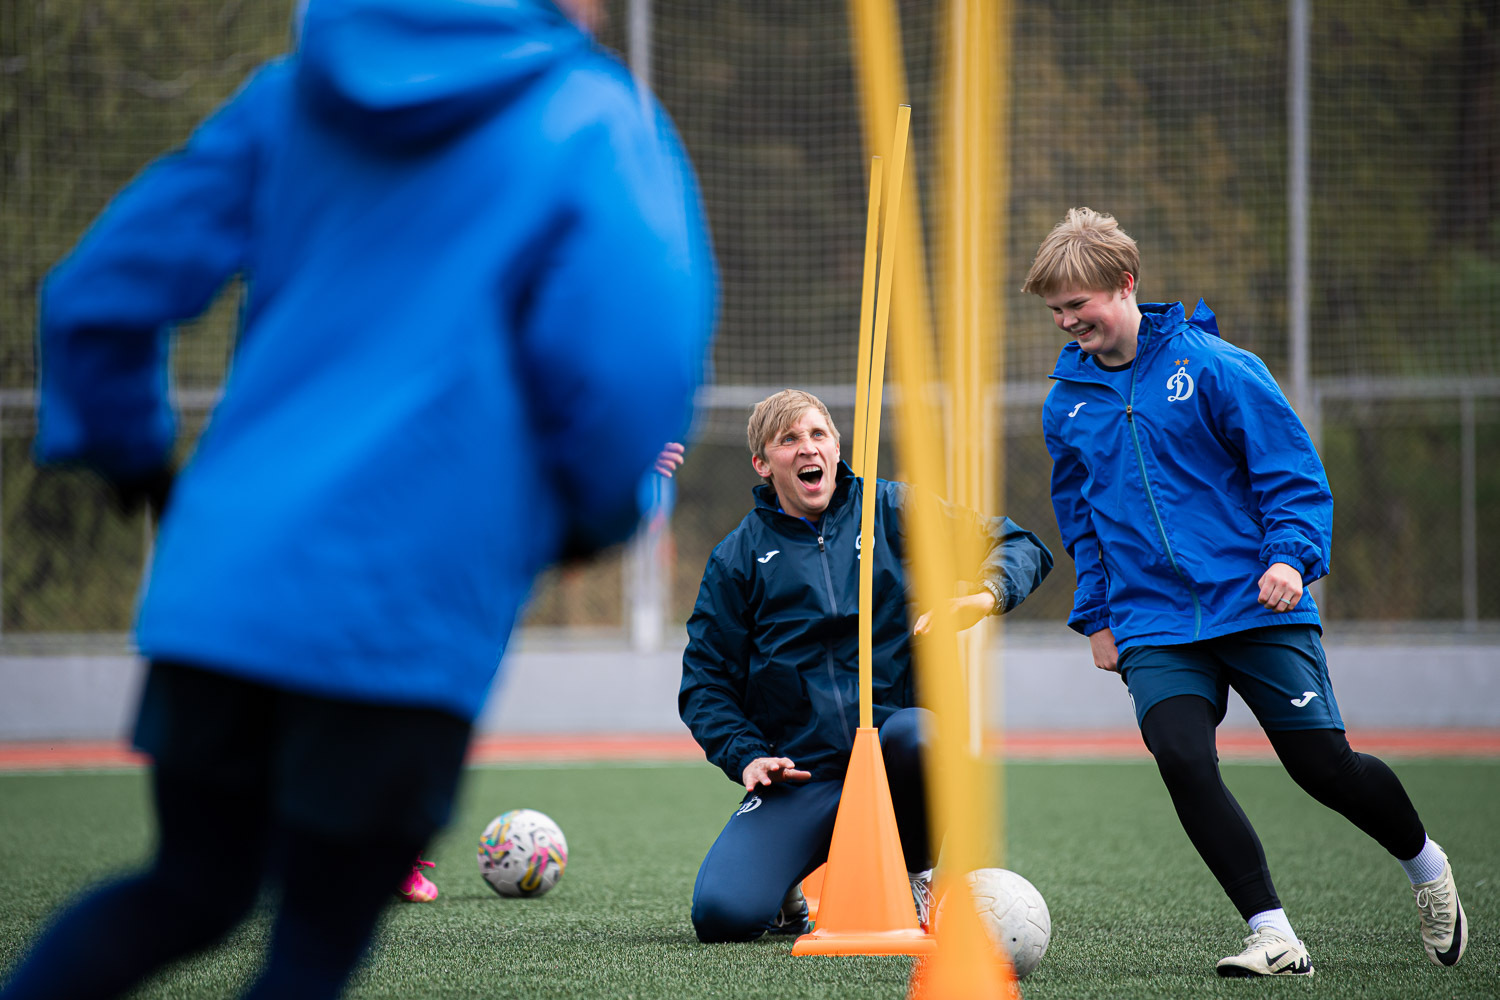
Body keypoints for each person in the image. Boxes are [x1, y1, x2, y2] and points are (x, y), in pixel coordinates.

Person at [2, 0, 714, 997]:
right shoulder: (592, 119)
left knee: (191, 886)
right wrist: (594, 513)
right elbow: (631, 366)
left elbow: (95, 295)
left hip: (227, 595)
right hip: (403, 616)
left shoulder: (295, 92)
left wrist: (139, 463)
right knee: (314, 946)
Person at [1026, 207, 1467, 977]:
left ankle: (1427, 867)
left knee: (1322, 768)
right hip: (1152, 619)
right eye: (1056, 310)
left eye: (1078, 305)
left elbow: (1291, 475)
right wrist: (1095, 614)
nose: (1067, 322)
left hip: (1255, 600)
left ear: (1125, 286)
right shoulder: (1066, 405)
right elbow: (1082, 520)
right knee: (1181, 758)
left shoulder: (1220, 366)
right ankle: (1273, 934)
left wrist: (1292, 559)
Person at [679, 389, 1053, 943]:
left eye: (818, 435)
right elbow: (705, 683)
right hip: (803, 773)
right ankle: (787, 890)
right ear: (762, 463)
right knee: (722, 918)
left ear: (835, 446)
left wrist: (984, 596)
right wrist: (750, 754)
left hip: (893, 751)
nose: (808, 448)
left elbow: (1017, 542)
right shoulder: (737, 557)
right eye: (789, 440)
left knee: (922, 734)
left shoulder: (890, 509)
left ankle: (915, 875)